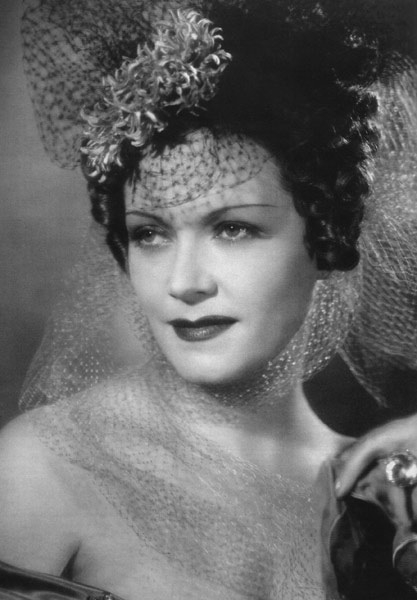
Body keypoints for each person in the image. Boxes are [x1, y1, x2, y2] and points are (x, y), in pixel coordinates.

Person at [0, 1, 416, 598]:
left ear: (327, 236)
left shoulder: (384, 495)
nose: (184, 282)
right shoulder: (43, 469)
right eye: (150, 234)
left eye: (233, 228)